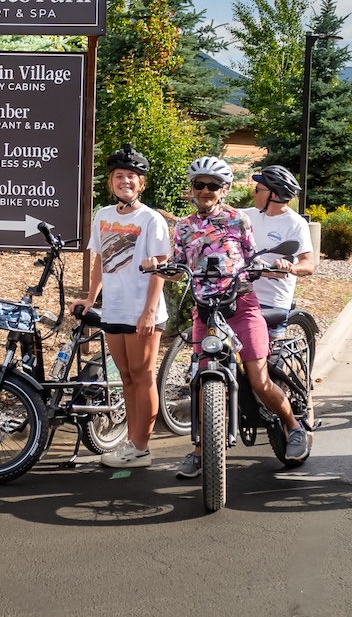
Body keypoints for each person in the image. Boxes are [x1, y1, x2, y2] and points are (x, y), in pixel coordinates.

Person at [169, 157, 309, 479]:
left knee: (259, 379)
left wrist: (266, 267)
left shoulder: (238, 220)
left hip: (242, 306)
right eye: (200, 185)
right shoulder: (183, 226)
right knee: (202, 381)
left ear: (225, 189)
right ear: (192, 188)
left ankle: (293, 426)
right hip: (205, 310)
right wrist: (162, 267)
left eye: (213, 186)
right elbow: (178, 267)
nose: (206, 191)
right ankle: (200, 451)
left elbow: (250, 258)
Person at [70, 144, 170, 468]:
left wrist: (150, 312)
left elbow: (161, 268)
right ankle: (131, 441)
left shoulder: (151, 219)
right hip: (114, 309)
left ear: (141, 183)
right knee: (126, 377)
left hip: (142, 310)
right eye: (118, 176)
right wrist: (90, 296)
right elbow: (102, 259)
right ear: (110, 182)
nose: (124, 181)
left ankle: (141, 448)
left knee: (144, 376)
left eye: (131, 176)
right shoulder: (103, 216)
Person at [240, 164, 315, 334]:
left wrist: (291, 267)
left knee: (267, 356)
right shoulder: (247, 216)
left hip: (271, 301)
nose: (253, 193)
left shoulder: (295, 223)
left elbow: (309, 264)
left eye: (257, 189)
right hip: (242, 295)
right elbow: (221, 214)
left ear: (273, 195)